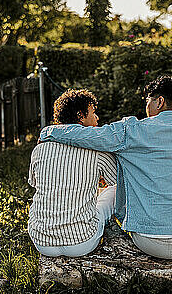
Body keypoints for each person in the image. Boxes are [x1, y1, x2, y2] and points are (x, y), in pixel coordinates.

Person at [39, 75, 172, 260]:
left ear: (159, 101)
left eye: (148, 100)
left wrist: (49, 131)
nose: (146, 105)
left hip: (148, 240)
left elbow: (88, 136)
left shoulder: (131, 131)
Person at [28, 89, 117, 257]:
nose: (97, 118)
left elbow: (35, 184)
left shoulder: (40, 148)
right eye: (93, 113)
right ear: (80, 115)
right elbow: (117, 182)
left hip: (42, 242)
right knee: (111, 192)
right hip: (82, 242)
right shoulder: (96, 149)